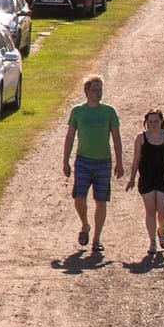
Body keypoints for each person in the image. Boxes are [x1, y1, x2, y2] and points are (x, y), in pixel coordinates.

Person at [61, 75, 123, 255]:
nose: (98, 93)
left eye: (100, 89)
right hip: (83, 161)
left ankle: (96, 239)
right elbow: (70, 136)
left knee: (101, 200)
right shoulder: (78, 112)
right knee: (79, 197)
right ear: (87, 92)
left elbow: (116, 137)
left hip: (103, 161)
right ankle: (85, 224)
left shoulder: (109, 112)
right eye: (95, 90)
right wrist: (65, 160)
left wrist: (119, 162)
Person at [125, 109, 164, 260]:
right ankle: (152, 241)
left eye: (156, 121)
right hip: (146, 178)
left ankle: (161, 230)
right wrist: (132, 178)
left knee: (163, 212)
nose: (153, 124)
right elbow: (136, 159)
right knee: (150, 211)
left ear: (161, 121)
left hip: (163, 178)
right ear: (147, 123)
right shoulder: (141, 138)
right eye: (150, 122)